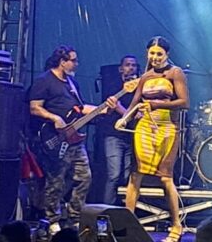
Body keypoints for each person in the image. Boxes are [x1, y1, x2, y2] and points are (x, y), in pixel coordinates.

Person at [29, 45, 120, 231]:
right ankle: (52, 220)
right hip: (54, 138)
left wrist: (106, 108)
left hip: (74, 140)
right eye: (74, 60)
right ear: (62, 62)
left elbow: (80, 109)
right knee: (56, 181)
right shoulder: (44, 81)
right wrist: (54, 118)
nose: (77, 64)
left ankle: (74, 218)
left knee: (84, 178)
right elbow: (34, 107)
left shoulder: (71, 83)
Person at [123, 37, 190, 242]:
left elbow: (184, 102)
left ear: (166, 55)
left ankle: (176, 226)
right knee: (136, 175)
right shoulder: (145, 77)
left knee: (165, 177)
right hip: (145, 128)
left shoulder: (175, 73)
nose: (155, 57)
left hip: (167, 128)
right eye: (152, 53)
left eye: (159, 54)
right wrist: (124, 117)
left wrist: (157, 105)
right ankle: (128, 224)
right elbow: (134, 104)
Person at [99, 55, 140, 204]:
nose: (131, 68)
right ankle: (106, 210)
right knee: (114, 175)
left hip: (131, 136)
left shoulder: (138, 88)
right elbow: (112, 106)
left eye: (134, 65)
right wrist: (127, 114)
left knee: (127, 176)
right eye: (128, 64)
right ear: (120, 68)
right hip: (113, 135)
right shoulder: (112, 85)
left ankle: (124, 209)